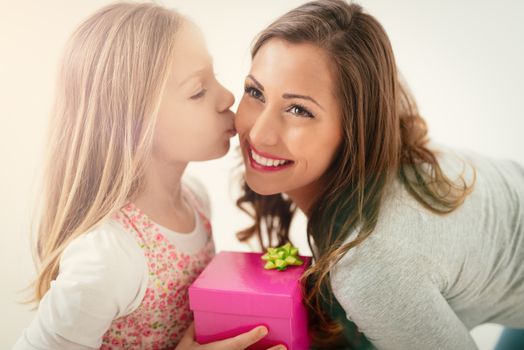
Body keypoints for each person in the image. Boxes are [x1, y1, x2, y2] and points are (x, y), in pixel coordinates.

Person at [234, 0, 524, 349]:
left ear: (356, 126)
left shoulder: (369, 264)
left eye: (299, 109)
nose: (259, 134)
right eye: (255, 92)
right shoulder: (386, 152)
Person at [13, 3, 284, 350]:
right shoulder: (108, 256)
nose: (228, 97)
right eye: (198, 90)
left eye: (213, 77)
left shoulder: (194, 200)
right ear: (132, 122)